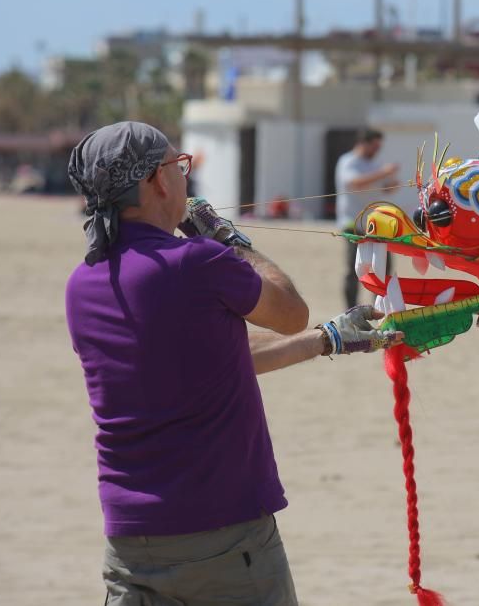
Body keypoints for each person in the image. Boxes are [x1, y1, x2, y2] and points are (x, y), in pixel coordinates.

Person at [65, 121, 400, 606]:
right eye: (179, 166)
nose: (186, 176)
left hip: (130, 541)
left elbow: (209, 360)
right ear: (157, 182)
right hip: (224, 534)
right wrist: (227, 237)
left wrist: (327, 339)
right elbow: (289, 311)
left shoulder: (84, 283)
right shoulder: (196, 261)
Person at [334, 128, 399, 307]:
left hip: (377, 227)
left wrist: (392, 183)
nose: (377, 151)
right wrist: (384, 173)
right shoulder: (348, 161)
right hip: (352, 224)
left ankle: (379, 307)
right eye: (375, 146)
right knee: (354, 270)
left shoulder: (375, 164)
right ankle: (351, 310)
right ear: (363, 143)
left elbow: (385, 189)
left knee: (383, 270)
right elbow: (355, 183)